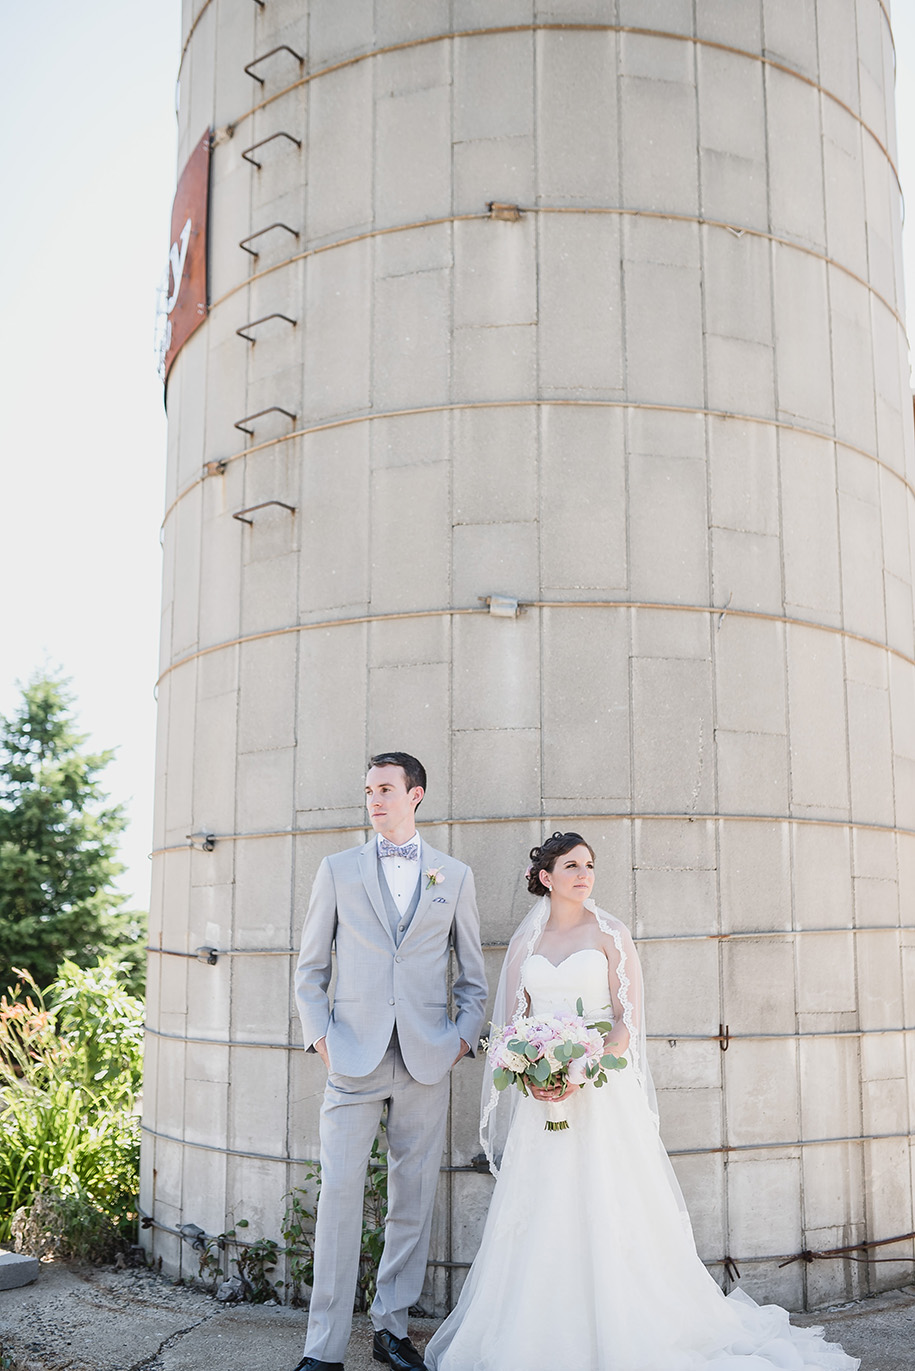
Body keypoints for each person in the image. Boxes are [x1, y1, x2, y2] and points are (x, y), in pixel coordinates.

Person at [425, 832, 860, 1371]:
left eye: (589, 865)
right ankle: (544, 1335)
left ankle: (626, 1328)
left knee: (611, 1206)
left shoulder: (611, 933)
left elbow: (629, 1020)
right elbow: (513, 1024)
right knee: (545, 1211)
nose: (583, 874)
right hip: (545, 1101)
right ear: (546, 877)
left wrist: (585, 1064)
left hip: (602, 1095)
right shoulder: (526, 944)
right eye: (571, 866)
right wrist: (532, 1071)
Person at [293, 752, 488, 1371]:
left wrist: (461, 1039)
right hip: (352, 1058)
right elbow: (310, 971)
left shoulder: (452, 876)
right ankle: (322, 1351)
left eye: (385, 789)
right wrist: (322, 1040)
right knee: (339, 1201)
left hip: (427, 1059)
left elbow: (473, 979)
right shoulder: (338, 870)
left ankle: (391, 1329)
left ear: (416, 795)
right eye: (368, 790)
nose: (374, 799)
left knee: (413, 1199)